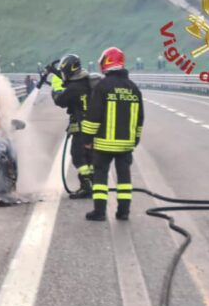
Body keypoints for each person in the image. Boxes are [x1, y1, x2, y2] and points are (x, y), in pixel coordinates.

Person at [81, 47, 144, 221]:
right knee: (124, 179)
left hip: (103, 144)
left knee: (100, 176)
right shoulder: (133, 88)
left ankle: (99, 212)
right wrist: (135, 139)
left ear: (106, 62)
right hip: (126, 145)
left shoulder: (103, 86)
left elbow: (93, 116)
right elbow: (140, 118)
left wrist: (87, 139)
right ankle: (123, 212)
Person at [45, 54, 94, 198]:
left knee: (78, 157)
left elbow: (61, 100)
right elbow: (69, 82)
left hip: (81, 127)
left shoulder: (73, 88)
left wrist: (55, 90)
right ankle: (93, 183)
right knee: (90, 157)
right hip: (93, 126)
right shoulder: (86, 81)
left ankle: (86, 185)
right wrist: (55, 72)